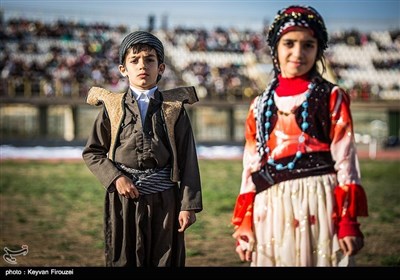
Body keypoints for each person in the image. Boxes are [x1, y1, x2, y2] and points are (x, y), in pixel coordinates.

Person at [231, 5, 368, 266]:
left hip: (320, 201)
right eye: (289, 43)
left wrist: (348, 220)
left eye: (308, 45)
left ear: (318, 50)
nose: (298, 53)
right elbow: (250, 168)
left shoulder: (332, 96)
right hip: (270, 205)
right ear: (275, 48)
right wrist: (245, 224)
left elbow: (346, 161)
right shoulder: (259, 105)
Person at [82, 31, 203, 267]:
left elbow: (188, 158)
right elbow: (93, 152)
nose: (142, 66)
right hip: (124, 200)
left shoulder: (174, 109)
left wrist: (188, 206)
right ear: (123, 68)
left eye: (149, 60)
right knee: (125, 258)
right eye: (134, 60)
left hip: (166, 200)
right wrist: (116, 178)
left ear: (161, 68)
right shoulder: (113, 107)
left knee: (165, 259)